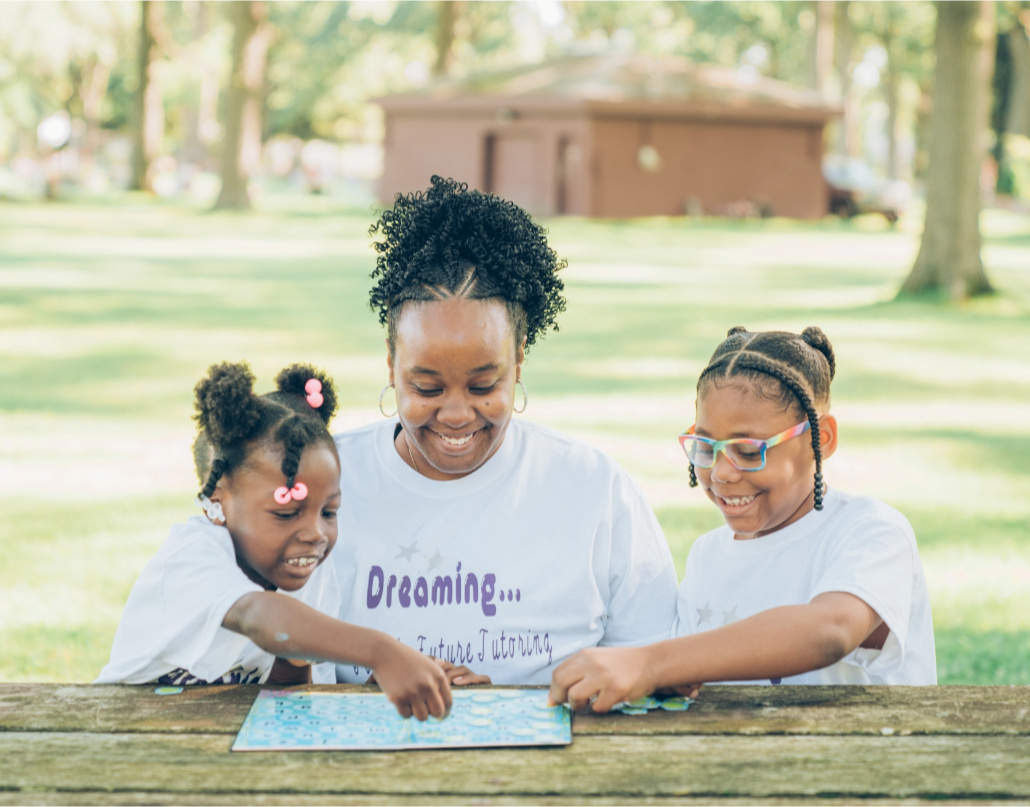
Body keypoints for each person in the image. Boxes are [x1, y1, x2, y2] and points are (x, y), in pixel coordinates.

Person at [332, 176, 678, 686]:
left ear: (518, 361)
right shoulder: (328, 485)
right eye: (426, 388)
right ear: (391, 364)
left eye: (483, 386)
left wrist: (510, 710)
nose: (455, 415)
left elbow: (650, 666)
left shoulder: (593, 488)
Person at [549, 326, 937, 712]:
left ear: (822, 439)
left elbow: (830, 630)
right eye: (705, 446)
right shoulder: (707, 555)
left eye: (749, 451)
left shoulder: (872, 532)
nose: (721, 473)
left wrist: (651, 663)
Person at [96, 361, 451, 721]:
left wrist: (376, 687)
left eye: (329, 512)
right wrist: (381, 651)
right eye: (286, 514)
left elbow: (292, 703)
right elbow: (258, 616)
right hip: (123, 733)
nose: (315, 534)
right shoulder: (191, 557)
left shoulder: (307, 573)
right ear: (218, 500)